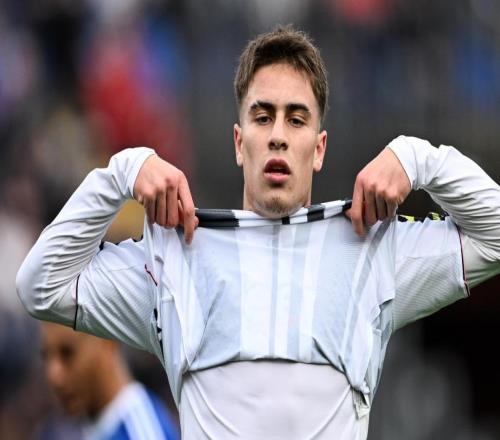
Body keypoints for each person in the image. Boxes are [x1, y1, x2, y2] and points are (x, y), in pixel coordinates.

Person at [17, 25, 500, 439]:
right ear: (238, 141)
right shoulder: (174, 257)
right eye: (262, 116)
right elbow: (41, 286)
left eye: (297, 119)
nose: (278, 135)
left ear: (319, 148)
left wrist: (420, 159)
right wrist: (122, 172)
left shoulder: (371, 247)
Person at [40, 322, 180, 440]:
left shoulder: (141, 432)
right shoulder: (99, 427)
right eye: (46, 356)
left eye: (67, 352)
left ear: (108, 336)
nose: (54, 376)